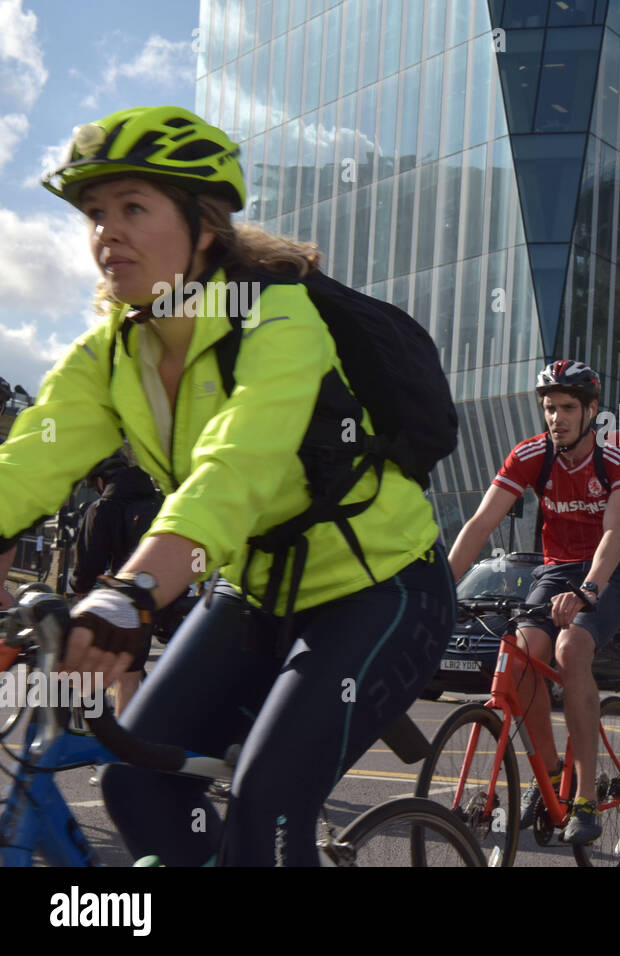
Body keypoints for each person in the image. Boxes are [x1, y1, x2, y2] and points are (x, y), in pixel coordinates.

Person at [0, 105, 454, 865]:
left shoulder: (278, 320)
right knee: (134, 784)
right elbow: (24, 468)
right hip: (255, 592)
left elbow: (234, 468)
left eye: (134, 208)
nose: (106, 231)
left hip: (380, 590)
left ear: (202, 225)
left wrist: (129, 592)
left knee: (266, 810)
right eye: (96, 213)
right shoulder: (112, 351)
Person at [447, 360, 620, 845]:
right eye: (548, 408)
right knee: (518, 658)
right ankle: (550, 775)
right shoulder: (532, 455)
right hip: (558, 567)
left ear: (591, 411)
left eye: (566, 408)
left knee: (571, 649)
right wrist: (440, 588)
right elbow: (479, 525)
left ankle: (582, 797)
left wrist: (589, 590)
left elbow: (615, 534)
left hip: (618, 569)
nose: (555, 418)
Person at [68, 451, 164, 716]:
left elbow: (88, 567)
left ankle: (122, 741)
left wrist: (79, 593)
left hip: (130, 598)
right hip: (167, 591)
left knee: (126, 674)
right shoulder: (159, 499)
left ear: (100, 481)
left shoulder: (103, 508)